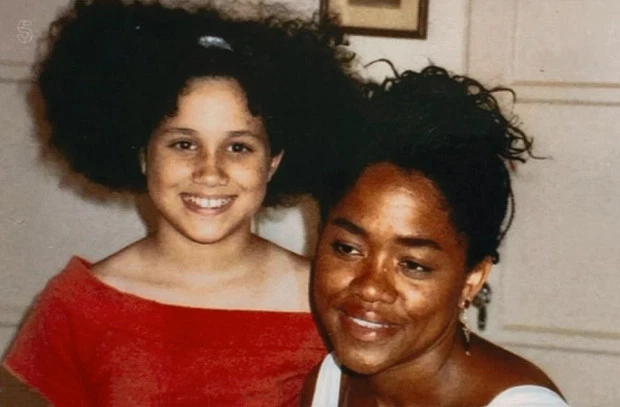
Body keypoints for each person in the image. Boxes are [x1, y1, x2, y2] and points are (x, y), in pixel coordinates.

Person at [1, 1, 363, 406]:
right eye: (184, 144)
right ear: (143, 155)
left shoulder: (328, 303)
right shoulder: (81, 306)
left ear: (273, 163)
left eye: (238, 147)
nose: (210, 172)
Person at [302, 66, 571, 406]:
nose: (370, 287)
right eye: (348, 248)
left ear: (472, 279)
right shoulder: (330, 381)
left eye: (413, 265)